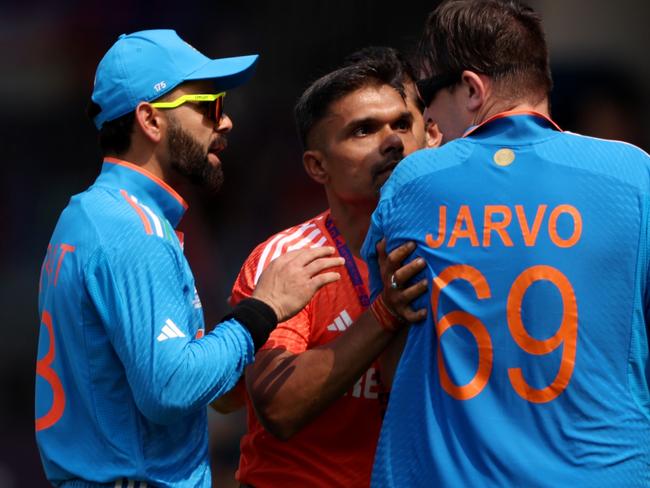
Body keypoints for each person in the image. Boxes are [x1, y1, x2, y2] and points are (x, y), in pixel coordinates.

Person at [35, 29, 347, 488]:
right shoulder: (132, 229)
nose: (225, 123)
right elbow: (170, 387)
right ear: (150, 120)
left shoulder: (88, 213)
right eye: (208, 106)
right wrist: (263, 310)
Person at [361, 1, 650, 487]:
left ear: (472, 90)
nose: (427, 120)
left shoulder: (415, 182)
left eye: (429, 95)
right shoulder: (635, 176)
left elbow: (388, 353)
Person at [221, 48, 439, 487]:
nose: (392, 140)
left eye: (401, 123)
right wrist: (384, 314)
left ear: (429, 134)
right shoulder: (289, 261)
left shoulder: (466, 245)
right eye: (364, 130)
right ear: (317, 166)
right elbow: (278, 407)